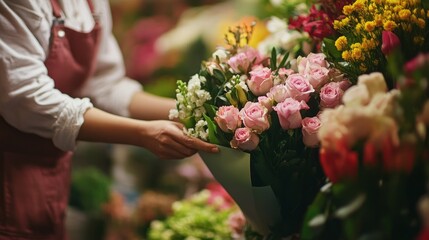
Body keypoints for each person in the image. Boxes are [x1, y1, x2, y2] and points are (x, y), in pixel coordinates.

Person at [0, 0, 219, 239]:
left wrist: (198, 112)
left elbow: (106, 86)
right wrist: (142, 134)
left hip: (52, 170)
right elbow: (26, 99)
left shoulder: (93, 4)